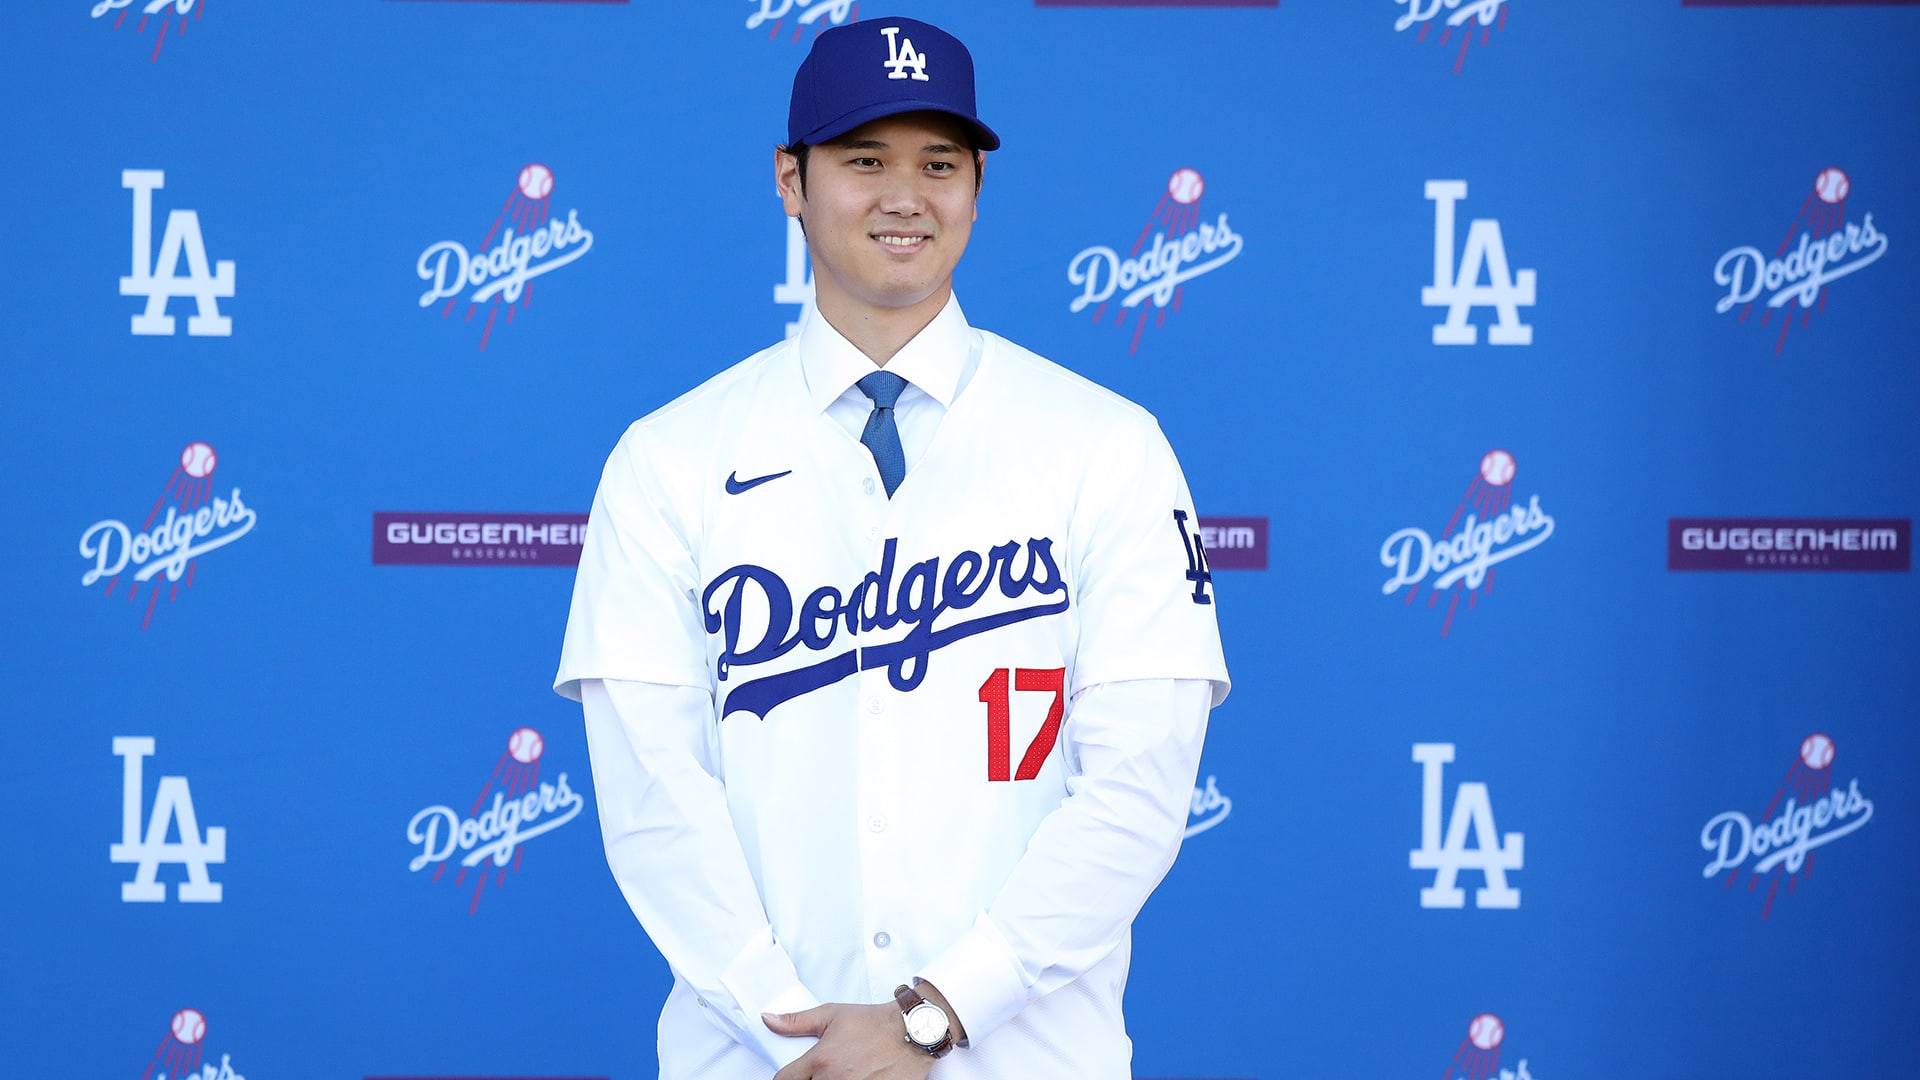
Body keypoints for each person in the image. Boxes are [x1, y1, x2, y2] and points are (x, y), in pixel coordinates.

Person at [555, 16, 1228, 1080]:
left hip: (1026, 1059)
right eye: (864, 160)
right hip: (758, 1064)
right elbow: (653, 799)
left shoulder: (1107, 445)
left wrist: (933, 1016)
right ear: (791, 179)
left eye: (939, 164)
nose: (905, 196)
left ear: (975, 185)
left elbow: (1138, 787)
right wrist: (802, 1035)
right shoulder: (669, 457)